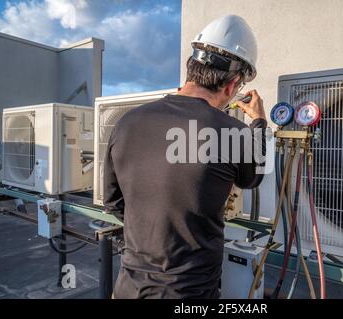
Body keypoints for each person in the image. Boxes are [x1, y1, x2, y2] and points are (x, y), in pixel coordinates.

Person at [104, 15, 267, 299]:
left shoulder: (127, 122)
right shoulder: (233, 132)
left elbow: (113, 201)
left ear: (191, 68)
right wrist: (259, 124)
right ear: (232, 85)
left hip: (128, 287)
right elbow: (253, 178)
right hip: (190, 294)